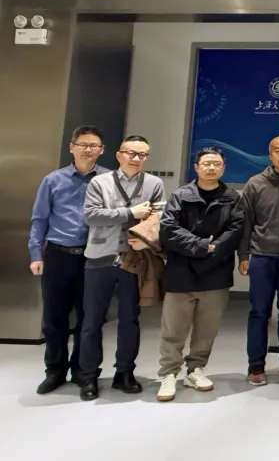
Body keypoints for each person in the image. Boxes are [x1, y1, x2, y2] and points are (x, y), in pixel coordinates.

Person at [77, 135, 165, 401]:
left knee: (130, 319)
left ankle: (124, 372)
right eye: (131, 153)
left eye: (143, 155)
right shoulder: (100, 182)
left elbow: (158, 217)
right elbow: (92, 215)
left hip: (134, 260)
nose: (137, 158)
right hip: (100, 257)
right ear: (118, 155)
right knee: (92, 320)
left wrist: (146, 236)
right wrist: (130, 213)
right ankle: (88, 376)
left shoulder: (154, 183)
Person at [156, 147, 243, 402]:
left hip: (216, 272)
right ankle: (169, 373)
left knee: (207, 329)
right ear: (196, 167)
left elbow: (236, 230)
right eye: (206, 163)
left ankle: (195, 370)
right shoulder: (180, 195)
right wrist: (203, 245)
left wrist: (214, 249)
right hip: (180, 271)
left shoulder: (232, 198)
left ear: (223, 168)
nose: (211, 168)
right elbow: (168, 228)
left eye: (216, 164)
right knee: (173, 328)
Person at [28, 126, 108, 395]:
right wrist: (36, 254)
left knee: (90, 320)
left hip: (94, 256)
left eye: (94, 145)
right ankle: (55, 371)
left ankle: (85, 373)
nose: (88, 149)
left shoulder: (109, 180)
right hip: (58, 255)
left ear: (102, 150)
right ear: (71, 147)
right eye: (82, 144)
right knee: (54, 318)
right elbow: (39, 219)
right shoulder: (53, 180)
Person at [238, 136, 279, 386]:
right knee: (259, 313)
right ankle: (256, 366)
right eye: (277, 151)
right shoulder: (255, 184)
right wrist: (243, 255)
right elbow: (245, 222)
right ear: (270, 154)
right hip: (262, 257)